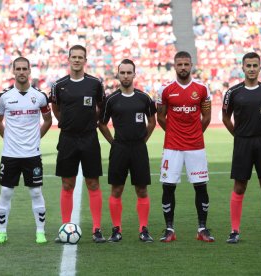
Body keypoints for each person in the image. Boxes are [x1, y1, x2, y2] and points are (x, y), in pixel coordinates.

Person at [222, 52, 261, 244]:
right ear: (242, 67)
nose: (251, 69)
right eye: (248, 66)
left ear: (260, 67)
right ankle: (234, 230)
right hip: (242, 143)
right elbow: (225, 118)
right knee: (240, 186)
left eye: (255, 65)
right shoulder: (233, 92)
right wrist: (238, 136)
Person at [50, 45, 106, 243]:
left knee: (93, 183)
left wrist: (89, 121)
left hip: (89, 138)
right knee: (67, 183)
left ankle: (97, 229)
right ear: (68, 59)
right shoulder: (58, 85)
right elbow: (56, 109)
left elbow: (101, 107)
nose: (76, 60)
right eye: (73, 57)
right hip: (67, 138)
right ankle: (65, 226)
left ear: (85, 60)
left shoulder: (95, 83)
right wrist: (66, 121)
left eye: (80, 57)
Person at [157, 51, 214, 243]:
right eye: (179, 64)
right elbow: (160, 117)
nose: (183, 67)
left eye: (186, 64)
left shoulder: (202, 89)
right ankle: (169, 229)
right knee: (168, 187)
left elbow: (206, 117)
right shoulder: (165, 90)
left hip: (195, 146)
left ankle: (202, 229)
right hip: (172, 146)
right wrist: (173, 132)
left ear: (191, 65)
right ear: (174, 66)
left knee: (201, 187)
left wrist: (195, 133)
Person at [0, 57, 52, 244]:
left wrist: (36, 138)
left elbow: (48, 120)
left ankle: (40, 232)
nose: (21, 72)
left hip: (32, 154)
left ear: (29, 71)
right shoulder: (4, 97)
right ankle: (2, 232)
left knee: (36, 192)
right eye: (18, 68)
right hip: (10, 154)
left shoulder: (40, 96)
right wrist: (8, 138)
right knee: (6, 192)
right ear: (13, 71)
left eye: (24, 68)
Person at [98, 59, 157, 242]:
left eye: (128, 72)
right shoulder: (111, 100)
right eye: (122, 72)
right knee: (116, 190)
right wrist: (112, 142)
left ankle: (143, 229)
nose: (125, 76)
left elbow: (152, 122)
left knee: (142, 190)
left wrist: (143, 140)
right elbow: (101, 123)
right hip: (119, 149)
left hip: (138, 148)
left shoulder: (144, 98)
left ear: (134, 74)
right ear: (118, 75)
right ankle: (116, 230)